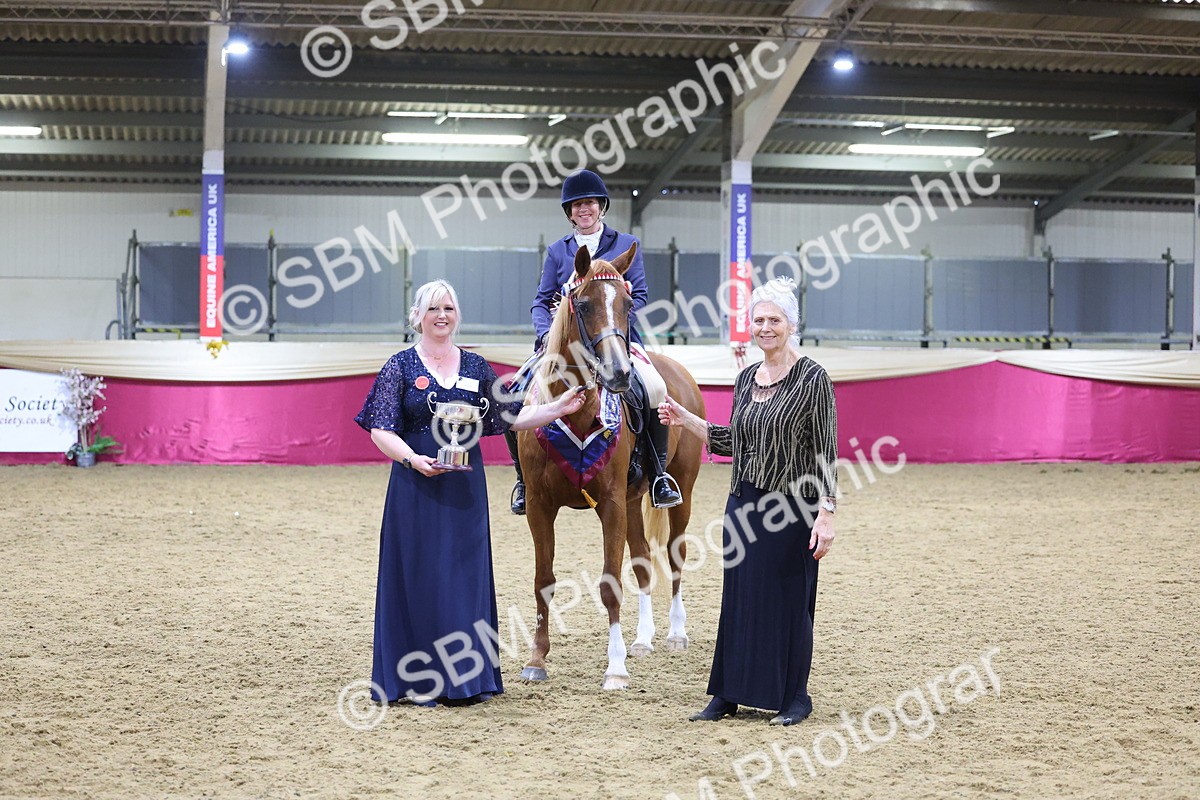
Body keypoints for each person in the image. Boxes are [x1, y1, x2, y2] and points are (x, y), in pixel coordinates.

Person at [355, 279, 584, 706]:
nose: (442, 315)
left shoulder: (477, 367)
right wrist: (412, 460)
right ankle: (409, 679)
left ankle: (464, 681)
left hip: (464, 489)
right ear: (418, 317)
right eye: (433, 309)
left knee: (463, 576)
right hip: (414, 486)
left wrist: (557, 408)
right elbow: (380, 428)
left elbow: (511, 417)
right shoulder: (399, 366)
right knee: (416, 575)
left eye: (449, 308)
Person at [658, 278, 838, 726]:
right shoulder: (745, 378)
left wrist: (827, 513)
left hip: (793, 508)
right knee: (739, 600)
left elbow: (826, 450)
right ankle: (728, 693)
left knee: (789, 601)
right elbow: (732, 439)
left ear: (791, 324)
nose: (765, 327)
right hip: (743, 503)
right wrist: (685, 418)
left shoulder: (813, 378)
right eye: (758, 320)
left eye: (774, 319)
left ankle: (795, 696)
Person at [502, 168, 682, 514]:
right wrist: (545, 335)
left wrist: (616, 313)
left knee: (655, 389)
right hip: (563, 346)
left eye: (590, 203)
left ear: (601, 207)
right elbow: (542, 300)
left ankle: (658, 474)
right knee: (511, 398)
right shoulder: (558, 251)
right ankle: (524, 481)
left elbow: (640, 295)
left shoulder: (626, 245)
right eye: (577, 205)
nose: (584, 209)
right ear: (569, 212)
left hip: (614, 339)